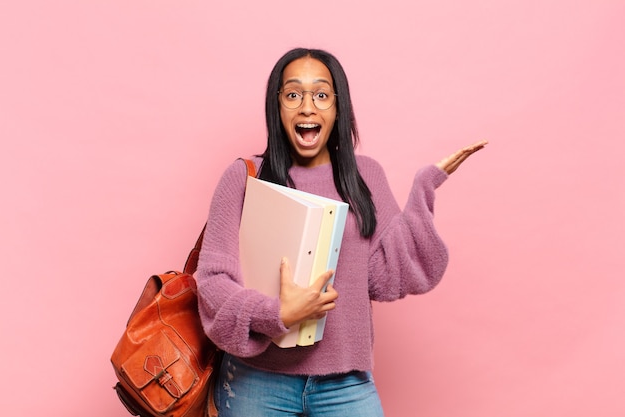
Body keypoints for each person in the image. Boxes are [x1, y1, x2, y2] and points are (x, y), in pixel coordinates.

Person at [195, 47, 487, 417]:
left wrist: (423, 188)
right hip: (257, 381)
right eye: (293, 94)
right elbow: (213, 282)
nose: (307, 107)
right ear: (277, 105)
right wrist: (277, 313)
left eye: (320, 94)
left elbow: (385, 279)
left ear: (337, 107)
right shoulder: (243, 177)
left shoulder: (366, 177)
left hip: (346, 384)